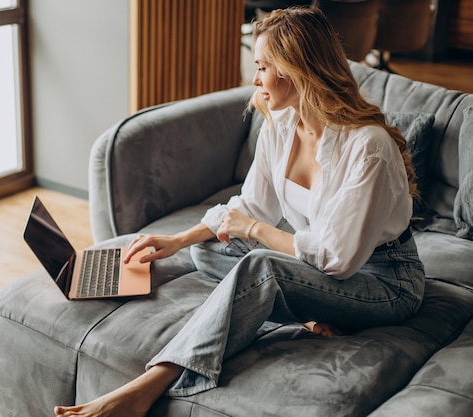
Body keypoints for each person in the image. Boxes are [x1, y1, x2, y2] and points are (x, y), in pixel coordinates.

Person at [54, 6, 425, 417]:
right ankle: (307, 316)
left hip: (384, 280)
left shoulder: (367, 145)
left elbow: (337, 259)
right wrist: (177, 241)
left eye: (263, 66)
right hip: (324, 269)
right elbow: (252, 205)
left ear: (296, 69)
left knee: (261, 266)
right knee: (209, 251)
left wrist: (256, 231)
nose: (255, 79)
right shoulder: (281, 125)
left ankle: (152, 381)